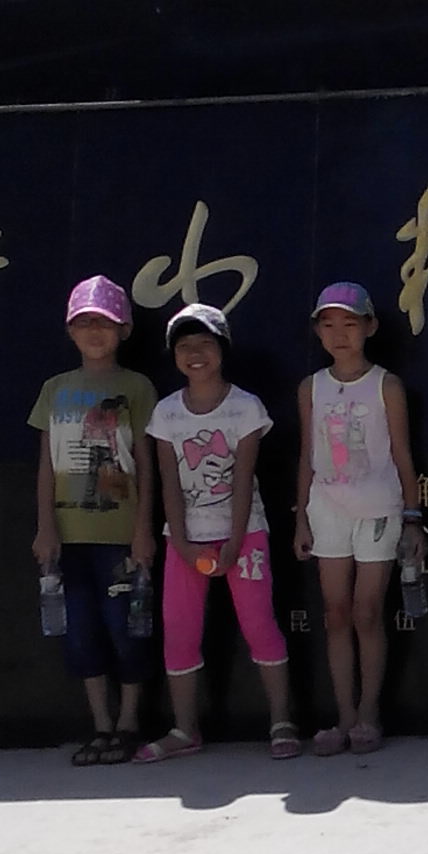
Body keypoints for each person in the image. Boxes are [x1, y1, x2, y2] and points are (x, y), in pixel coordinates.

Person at [138, 302, 302, 765]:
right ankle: (184, 729)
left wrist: (233, 540)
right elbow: (169, 482)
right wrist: (182, 542)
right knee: (179, 631)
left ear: (222, 349)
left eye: (205, 343)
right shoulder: (166, 413)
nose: (195, 354)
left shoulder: (245, 407)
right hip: (183, 541)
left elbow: (246, 479)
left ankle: (282, 720)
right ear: (173, 355)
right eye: (184, 346)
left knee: (259, 624)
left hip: (244, 536)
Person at [29, 274, 156, 765]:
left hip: (120, 533)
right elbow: (47, 465)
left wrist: (143, 530)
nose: (94, 332)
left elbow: (146, 464)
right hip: (68, 536)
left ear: (124, 329)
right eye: (84, 323)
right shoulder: (55, 389)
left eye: (104, 322)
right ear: (70, 331)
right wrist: (45, 527)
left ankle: (128, 723)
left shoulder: (136, 387)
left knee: (127, 630)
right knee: (81, 634)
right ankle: (100, 725)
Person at [294, 280, 422, 756]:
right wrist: (301, 518)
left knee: (367, 612)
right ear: (317, 331)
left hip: (379, 508)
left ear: (369, 327)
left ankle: (369, 713)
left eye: (349, 323)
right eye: (328, 324)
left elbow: (403, 454)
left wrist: (413, 517)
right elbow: (307, 455)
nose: (339, 334)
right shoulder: (311, 387)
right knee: (336, 614)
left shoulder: (387, 385)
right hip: (326, 508)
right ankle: (344, 716)